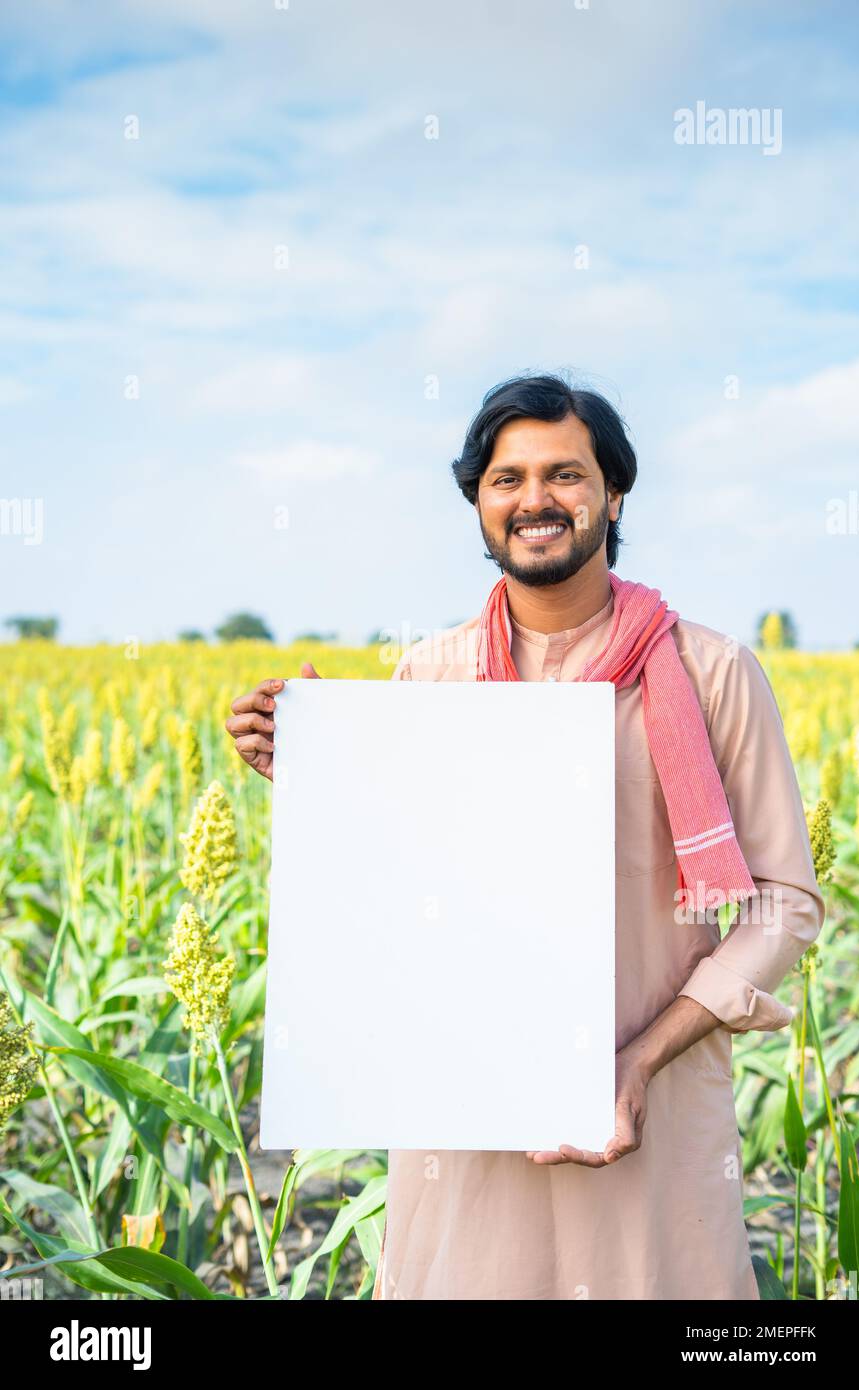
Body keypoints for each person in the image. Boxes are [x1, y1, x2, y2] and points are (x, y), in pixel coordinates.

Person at [225, 373, 825, 1300]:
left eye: (565, 474)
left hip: (651, 1115)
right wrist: (313, 774)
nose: (535, 500)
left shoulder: (711, 674)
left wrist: (637, 1062)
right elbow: (395, 883)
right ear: (478, 500)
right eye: (506, 479)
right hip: (463, 1121)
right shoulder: (428, 675)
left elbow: (784, 905)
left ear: (613, 493)